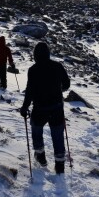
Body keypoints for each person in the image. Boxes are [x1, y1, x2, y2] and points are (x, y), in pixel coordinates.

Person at [20, 42, 70, 174]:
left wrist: (24, 107)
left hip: (40, 108)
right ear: (48, 53)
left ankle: (40, 156)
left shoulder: (33, 70)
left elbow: (29, 91)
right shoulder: (58, 66)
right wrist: (59, 89)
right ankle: (60, 165)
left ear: (35, 55)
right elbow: (67, 84)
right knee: (57, 135)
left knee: (36, 130)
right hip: (56, 108)